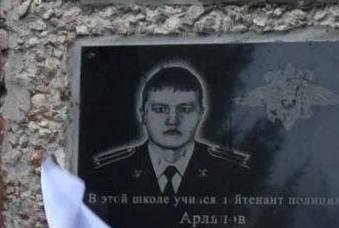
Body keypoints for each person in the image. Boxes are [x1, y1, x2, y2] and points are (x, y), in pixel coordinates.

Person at [90, 63, 252, 198]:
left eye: (185, 109)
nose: (173, 120)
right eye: (160, 109)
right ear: (143, 114)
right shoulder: (110, 171)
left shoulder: (231, 172)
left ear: (200, 114)